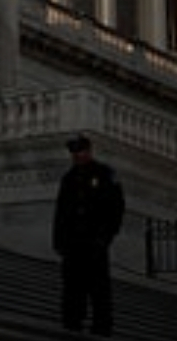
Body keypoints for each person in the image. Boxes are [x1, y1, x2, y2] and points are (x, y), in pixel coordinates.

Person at [52, 134, 125, 336]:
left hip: (95, 241)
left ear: (89, 151)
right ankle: (72, 320)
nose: (77, 155)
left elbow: (116, 208)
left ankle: (102, 325)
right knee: (72, 285)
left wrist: (107, 236)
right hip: (73, 242)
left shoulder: (105, 173)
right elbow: (61, 211)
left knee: (98, 286)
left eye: (80, 150)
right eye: (74, 152)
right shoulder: (68, 178)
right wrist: (59, 240)